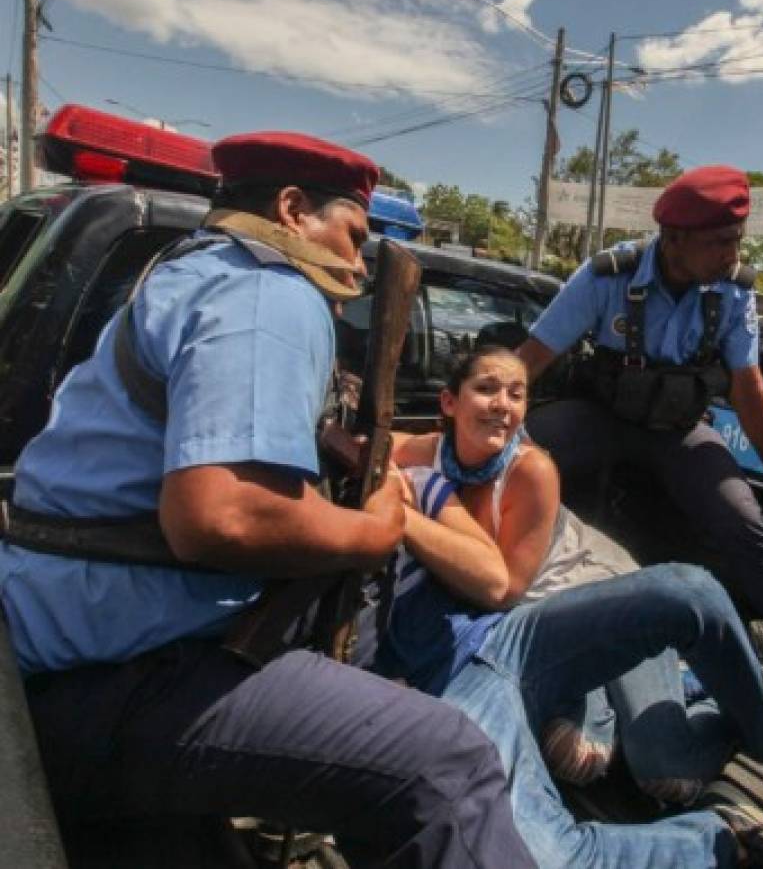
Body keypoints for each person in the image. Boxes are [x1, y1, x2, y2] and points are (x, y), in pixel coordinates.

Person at [0, 133, 532, 866]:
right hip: (116, 668)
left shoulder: (189, 272)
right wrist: (377, 529)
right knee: (446, 766)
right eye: (352, 233)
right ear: (292, 210)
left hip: (54, 643)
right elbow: (225, 514)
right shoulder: (268, 289)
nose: (356, 261)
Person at [376, 346, 763, 869]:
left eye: (516, 394)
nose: (502, 404)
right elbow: (368, 447)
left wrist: (410, 513)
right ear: (450, 402)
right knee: (580, 758)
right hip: (541, 632)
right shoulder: (424, 456)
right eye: (487, 389)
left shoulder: (530, 470)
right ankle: (678, 703)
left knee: (664, 760)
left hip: (597, 597)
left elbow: (503, 587)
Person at [515, 165, 763, 674]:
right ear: (674, 238)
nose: (733, 254)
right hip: (601, 419)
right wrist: (486, 433)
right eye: (720, 242)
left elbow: (748, 388)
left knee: (743, 517)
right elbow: (529, 360)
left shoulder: (733, 291)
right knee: (518, 458)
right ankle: (491, 583)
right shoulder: (606, 277)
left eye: (737, 241)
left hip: (677, 431)